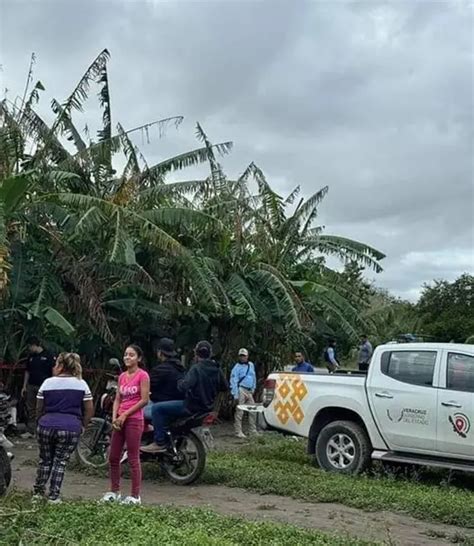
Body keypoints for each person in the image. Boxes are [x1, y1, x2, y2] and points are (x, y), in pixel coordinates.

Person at [141, 340, 228, 454]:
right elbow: (224, 387)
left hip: (191, 406)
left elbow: (183, 387)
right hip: (207, 408)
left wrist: (180, 381)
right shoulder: (217, 369)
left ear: (196, 354)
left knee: (157, 408)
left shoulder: (196, 368)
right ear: (210, 353)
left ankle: (159, 442)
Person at [33, 352, 93, 503]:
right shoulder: (81, 384)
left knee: (45, 460)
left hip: (46, 426)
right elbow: (89, 410)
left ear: (60, 366)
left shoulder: (47, 383)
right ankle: (54, 496)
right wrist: (83, 426)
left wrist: (39, 422)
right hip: (70, 428)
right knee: (60, 462)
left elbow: (39, 408)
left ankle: (38, 494)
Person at [102, 345, 150, 506]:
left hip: (134, 420)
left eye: (131, 355)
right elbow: (118, 398)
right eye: (125, 355)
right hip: (119, 420)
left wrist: (125, 415)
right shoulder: (122, 376)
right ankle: (114, 490)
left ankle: (135, 495)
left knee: (133, 457)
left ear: (139, 358)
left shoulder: (143, 376)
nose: (127, 357)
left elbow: (144, 400)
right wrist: (115, 417)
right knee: (114, 456)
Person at [143, 338, 185, 422]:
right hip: (177, 405)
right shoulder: (180, 367)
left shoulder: (161, 369)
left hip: (162, 405)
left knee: (134, 412)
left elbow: (146, 384)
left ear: (160, 353)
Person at [22, 337, 56, 437]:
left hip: (44, 386)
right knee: (31, 408)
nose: (29, 349)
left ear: (35, 345)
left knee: (42, 408)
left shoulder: (48, 355)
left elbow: (53, 370)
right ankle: (31, 430)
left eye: (30, 346)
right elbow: (27, 371)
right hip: (31, 385)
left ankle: (41, 430)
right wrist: (24, 386)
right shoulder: (31, 357)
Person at [230, 348, 257, 439]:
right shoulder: (236, 367)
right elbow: (233, 381)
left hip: (249, 390)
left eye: (244, 356)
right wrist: (235, 394)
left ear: (247, 356)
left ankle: (252, 430)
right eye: (241, 356)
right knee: (239, 412)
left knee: (252, 411)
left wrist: (253, 388)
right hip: (241, 389)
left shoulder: (251, 365)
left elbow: (254, 377)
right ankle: (238, 431)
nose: (242, 358)